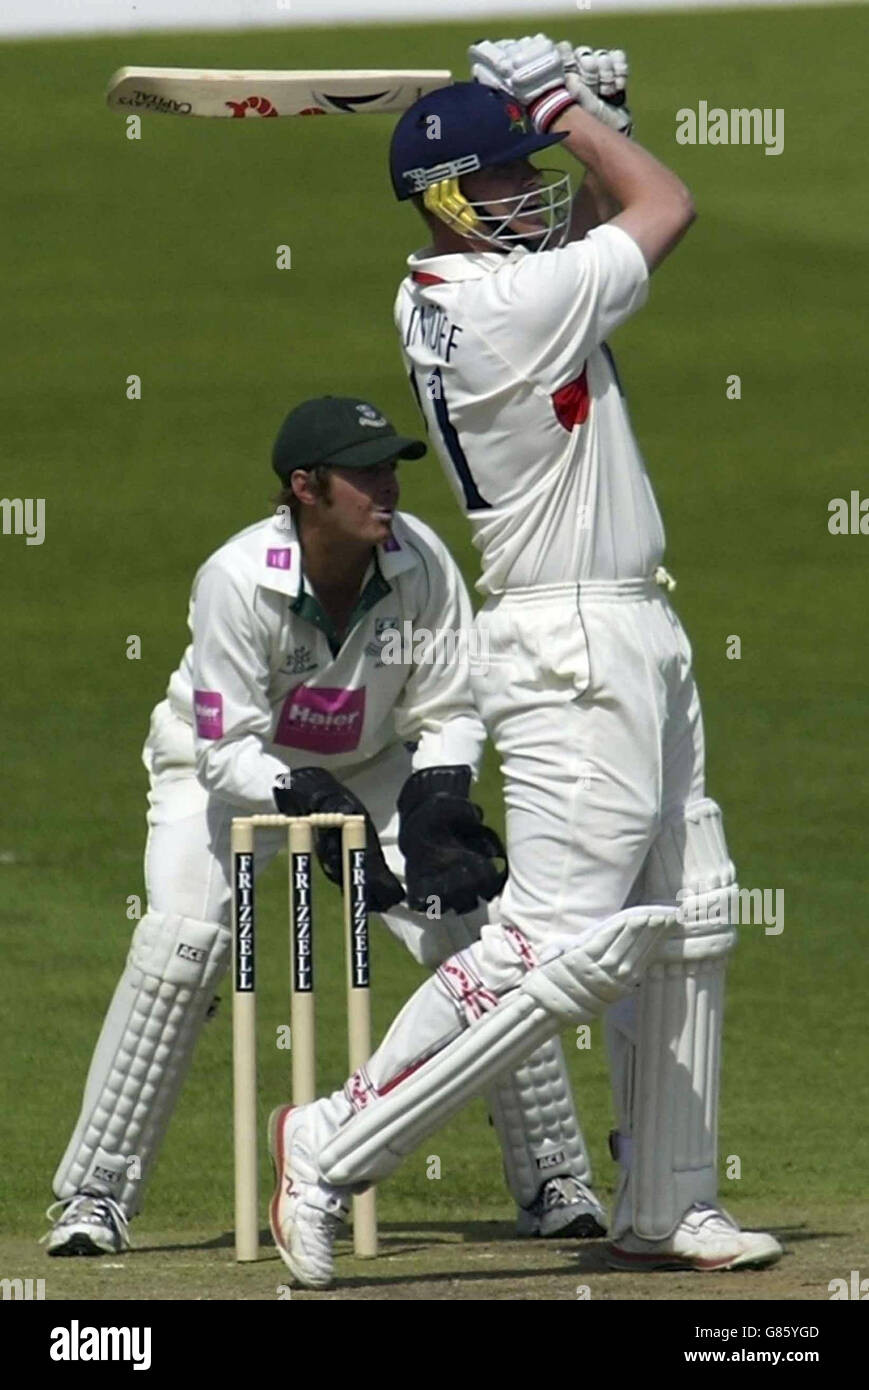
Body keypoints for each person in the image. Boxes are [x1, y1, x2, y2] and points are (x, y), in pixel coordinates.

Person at [266, 39, 782, 1289]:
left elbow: (610, 211)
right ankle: (332, 1140)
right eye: (503, 176)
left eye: (528, 170)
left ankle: (667, 1200)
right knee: (557, 949)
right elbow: (666, 206)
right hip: (572, 640)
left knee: (690, 911)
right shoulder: (504, 306)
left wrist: (589, 117)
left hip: (629, 624)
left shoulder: (470, 285)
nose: (529, 189)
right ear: (448, 199)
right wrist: (567, 105)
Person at [43, 394, 605, 1258]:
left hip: (373, 767)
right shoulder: (235, 578)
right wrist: (302, 793)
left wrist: (438, 800)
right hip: (224, 776)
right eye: (365, 471)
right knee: (180, 948)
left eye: (391, 468)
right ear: (304, 487)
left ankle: (554, 1178)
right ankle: (95, 1196)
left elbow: (451, 706)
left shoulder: (419, 564)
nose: (387, 487)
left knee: (476, 933)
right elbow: (224, 745)